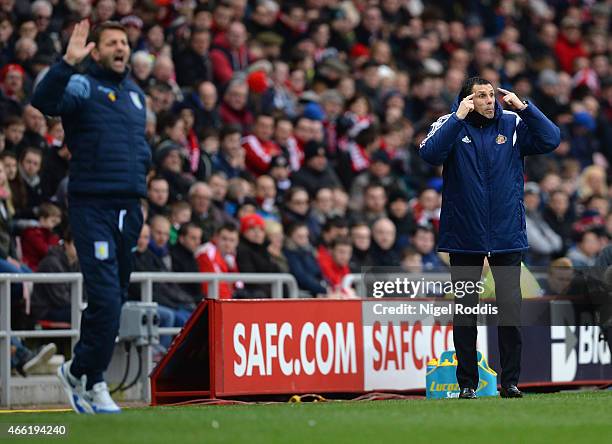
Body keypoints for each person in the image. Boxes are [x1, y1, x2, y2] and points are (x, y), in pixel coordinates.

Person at [31, 20, 151, 414]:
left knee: (112, 298)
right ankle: (90, 376)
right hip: (93, 206)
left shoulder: (135, 95)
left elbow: (141, 150)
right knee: (104, 297)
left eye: (125, 42)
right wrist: (66, 62)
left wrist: (141, 194)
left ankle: (83, 373)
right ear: (95, 51)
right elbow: (44, 101)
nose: (122, 47)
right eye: (113, 42)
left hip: (128, 209)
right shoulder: (83, 85)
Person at [418, 77, 560, 399]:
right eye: (481, 95)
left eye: (491, 95)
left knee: (510, 311)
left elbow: (551, 139)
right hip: (464, 235)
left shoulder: (512, 124)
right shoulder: (450, 124)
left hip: (506, 234)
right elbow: (429, 153)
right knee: (465, 313)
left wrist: (525, 108)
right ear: (466, 100)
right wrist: (457, 118)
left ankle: (510, 381)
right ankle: (467, 383)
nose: (489, 100)